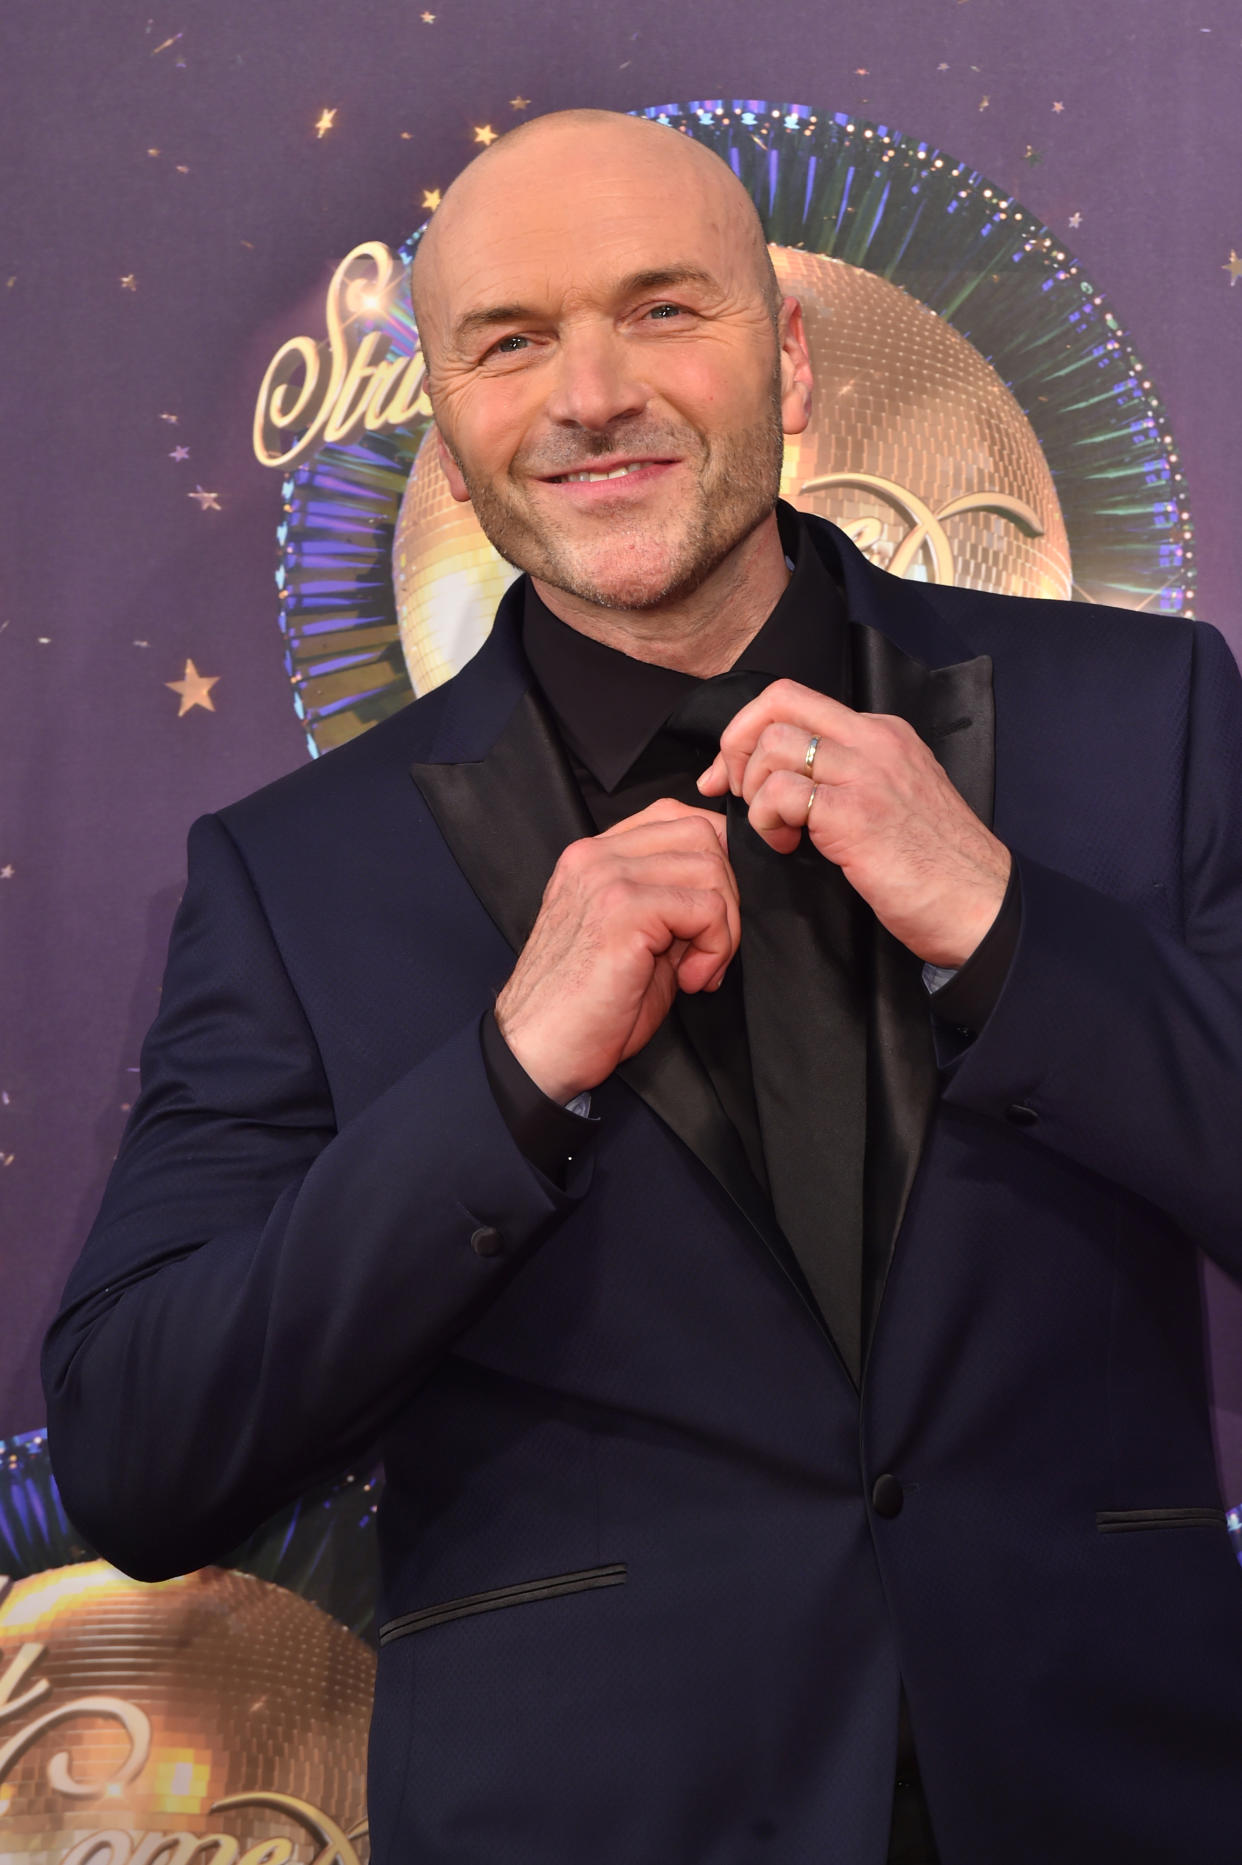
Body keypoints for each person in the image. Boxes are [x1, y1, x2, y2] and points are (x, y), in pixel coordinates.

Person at [42, 108, 1242, 1864]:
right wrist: (508, 1075)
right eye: (510, 343)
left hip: (1115, 1796)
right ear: (448, 431)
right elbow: (143, 1454)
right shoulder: (296, 876)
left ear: (793, 360)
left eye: (662, 310)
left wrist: (1006, 928)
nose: (590, 393)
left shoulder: (1144, 717)